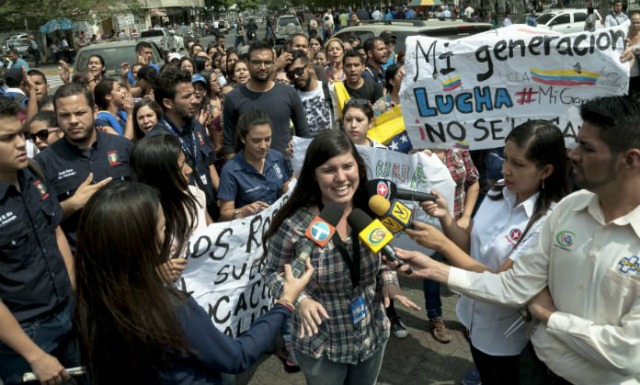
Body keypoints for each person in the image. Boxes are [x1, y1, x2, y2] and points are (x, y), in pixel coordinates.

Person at [74, 181, 314, 385]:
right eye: (163, 228)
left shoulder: (91, 302)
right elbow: (236, 357)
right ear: (142, 243)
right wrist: (285, 303)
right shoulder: (172, 309)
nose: (167, 235)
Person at [396, 120, 571, 385]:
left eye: (518, 164)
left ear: (546, 170)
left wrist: (443, 245)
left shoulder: (549, 220)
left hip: (506, 337)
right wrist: (446, 218)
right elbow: (468, 244)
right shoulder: (499, 190)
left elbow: (501, 283)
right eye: (506, 158)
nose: (506, 169)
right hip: (471, 315)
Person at [262, 129, 418, 385]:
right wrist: (300, 301)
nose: (341, 177)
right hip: (323, 344)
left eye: (348, 166)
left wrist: (390, 279)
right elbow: (273, 272)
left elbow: (383, 257)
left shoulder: (369, 210)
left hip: (372, 335)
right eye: (329, 170)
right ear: (313, 174)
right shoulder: (295, 225)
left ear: (359, 167)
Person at [0, 96, 77, 385]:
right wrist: (33, 355)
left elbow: (55, 231)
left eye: (20, 133)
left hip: (67, 316)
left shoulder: (33, 172)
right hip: (24, 338)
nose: (21, 143)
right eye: (7, 138)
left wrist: (72, 294)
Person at [35, 82, 132, 251]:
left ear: (94, 111)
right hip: (82, 261)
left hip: (132, 251)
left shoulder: (124, 147)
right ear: (56, 117)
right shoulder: (43, 163)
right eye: (65, 115)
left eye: (80, 113)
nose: (73, 121)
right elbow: (39, 220)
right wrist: (72, 204)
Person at [130, 135, 212, 282]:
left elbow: (213, 233)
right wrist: (155, 275)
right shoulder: (140, 217)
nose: (189, 170)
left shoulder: (195, 194)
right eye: (181, 167)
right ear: (160, 175)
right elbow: (127, 278)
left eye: (185, 161)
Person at [147, 66, 219, 216]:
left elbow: (209, 164)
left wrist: (223, 199)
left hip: (211, 208)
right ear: (168, 103)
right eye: (187, 97)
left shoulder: (196, 126)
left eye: (193, 94)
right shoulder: (158, 141)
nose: (195, 100)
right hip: (186, 215)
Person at [222, 41, 310, 160]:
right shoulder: (233, 98)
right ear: (247, 63)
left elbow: (303, 136)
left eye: (267, 62)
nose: (263, 67)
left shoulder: (289, 93)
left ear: (274, 63)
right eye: (257, 62)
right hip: (249, 174)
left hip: (285, 172)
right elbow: (229, 146)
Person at [218, 109, 291, 220]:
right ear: (243, 138)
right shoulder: (230, 170)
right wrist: (242, 212)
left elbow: (286, 187)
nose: (263, 145)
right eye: (256, 141)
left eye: (267, 139)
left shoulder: (277, 157)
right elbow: (225, 213)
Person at [286, 50, 337, 135]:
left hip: (329, 146)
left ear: (309, 67)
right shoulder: (290, 96)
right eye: (291, 74)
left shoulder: (329, 89)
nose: (296, 76)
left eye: (299, 71)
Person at [372, 64, 412, 153]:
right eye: (401, 76)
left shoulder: (414, 102)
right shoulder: (380, 106)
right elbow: (373, 129)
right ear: (392, 82)